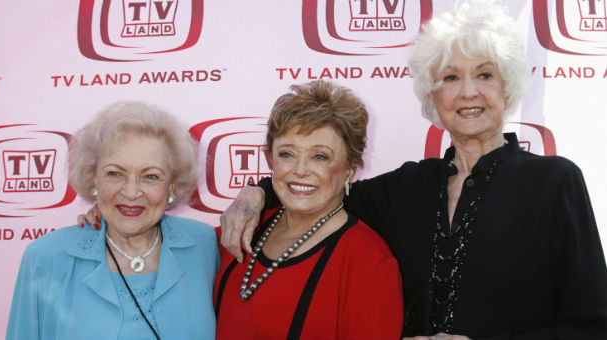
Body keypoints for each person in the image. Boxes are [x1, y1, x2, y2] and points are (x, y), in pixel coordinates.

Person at [219, 2, 607, 339]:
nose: (468, 91)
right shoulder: (406, 187)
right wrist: (257, 191)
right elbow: (321, 185)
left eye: (485, 75)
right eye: (451, 77)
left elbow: (591, 326)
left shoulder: (556, 182)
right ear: (433, 95)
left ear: (508, 88)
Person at [6, 101, 219, 340]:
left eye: (150, 176)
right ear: (93, 177)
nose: (130, 192)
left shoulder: (206, 246)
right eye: (114, 173)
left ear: (171, 184)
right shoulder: (45, 257)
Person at [215, 80, 403, 339]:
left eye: (320, 157)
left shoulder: (368, 261)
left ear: (350, 167)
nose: (300, 170)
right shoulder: (239, 228)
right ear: (271, 159)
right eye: (287, 154)